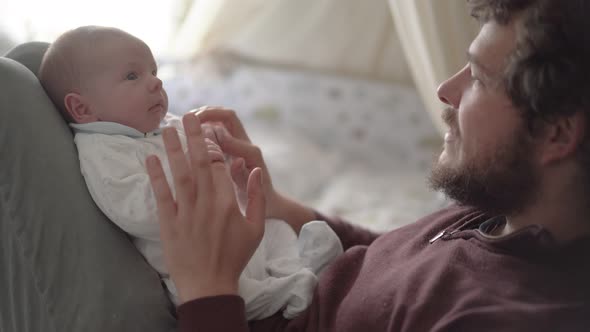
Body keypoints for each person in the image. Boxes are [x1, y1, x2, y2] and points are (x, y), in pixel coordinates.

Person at [146, 0, 590, 331]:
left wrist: (207, 290)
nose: (444, 89)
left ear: (556, 133)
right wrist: (280, 207)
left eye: (477, 78)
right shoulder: (505, 208)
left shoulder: (508, 317)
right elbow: (397, 265)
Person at [37, 26, 343, 320]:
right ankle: (293, 290)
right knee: (247, 291)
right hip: (200, 264)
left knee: (274, 228)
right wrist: (191, 176)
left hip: (230, 234)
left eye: (154, 72)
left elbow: (189, 141)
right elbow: (132, 210)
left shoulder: (154, 126)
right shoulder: (103, 152)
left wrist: (211, 141)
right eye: (133, 75)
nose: (156, 83)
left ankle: (301, 265)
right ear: (82, 109)